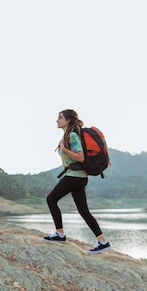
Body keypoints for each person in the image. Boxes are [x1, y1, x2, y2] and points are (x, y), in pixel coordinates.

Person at [43, 109, 111, 254]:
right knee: (83, 211)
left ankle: (60, 234)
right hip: (78, 177)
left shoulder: (72, 136)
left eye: (60, 118)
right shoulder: (69, 135)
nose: (57, 120)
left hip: (75, 176)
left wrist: (63, 149)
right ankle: (103, 242)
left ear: (67, 120)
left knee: (51, 199)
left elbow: (80, 157)